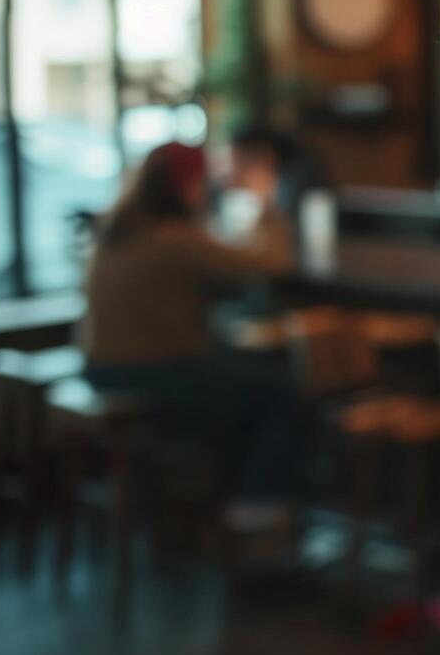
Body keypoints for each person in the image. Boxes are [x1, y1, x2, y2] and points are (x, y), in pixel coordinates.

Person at [78, 141, 306, 530]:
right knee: (281, 391)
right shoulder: (175, 237)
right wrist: (267, 201)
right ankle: (255, 511)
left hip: (100, 368)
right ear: (186, 185)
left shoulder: (121, 225)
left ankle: (210, 504)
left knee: (244, 374)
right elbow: (272, 263)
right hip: (150, 374)